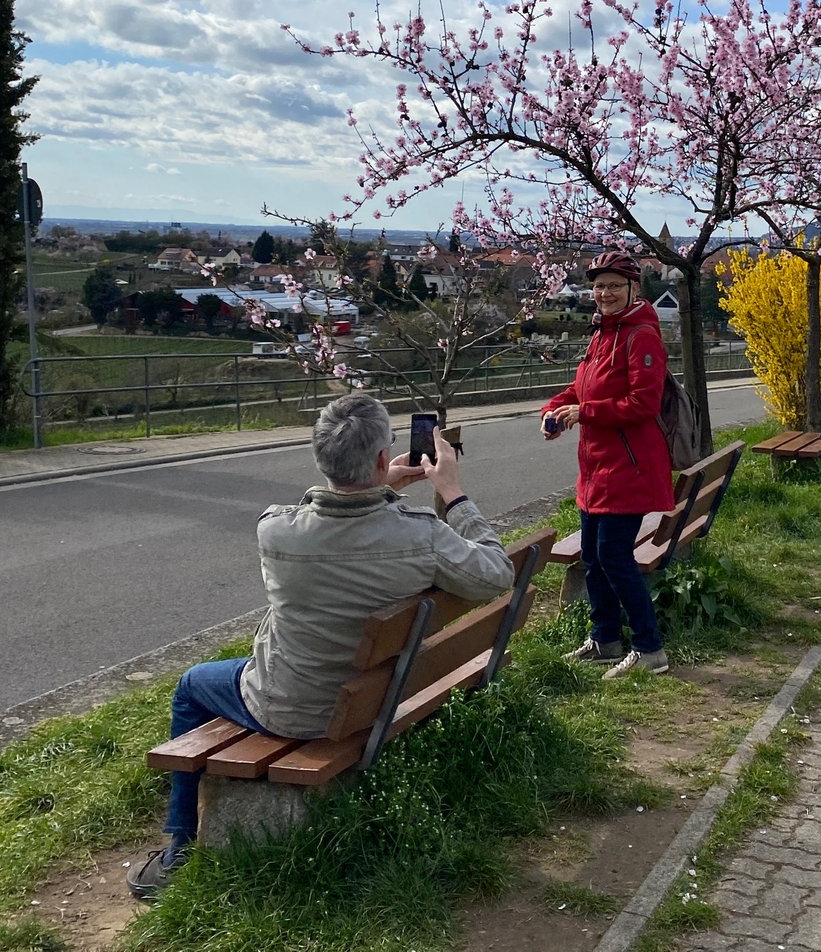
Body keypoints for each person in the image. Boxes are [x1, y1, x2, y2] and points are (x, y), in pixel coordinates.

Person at [128, 392, 514, 900]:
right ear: (381, 459)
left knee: (190, 686)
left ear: (321, 460)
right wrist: (454, 494)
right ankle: (180, 839)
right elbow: (497, 574)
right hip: (376, 701)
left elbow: (319, 514)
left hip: (288, 706)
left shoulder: (276, 532)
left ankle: (179, 846)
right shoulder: (422, 537)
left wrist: (370, 487)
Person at [542, 249, 673, 680]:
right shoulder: (603, 333)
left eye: (614, 285)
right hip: (596, 467)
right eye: (599, 286)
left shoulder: (641, 335)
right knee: (594, 559)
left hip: (628, 467)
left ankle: (649, 648)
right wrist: (557, 409)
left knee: (614, 557)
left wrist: (586, 413)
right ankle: (604, 639)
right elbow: (582, 387)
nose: (605, 293)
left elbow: (643, 402)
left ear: (634, 288)